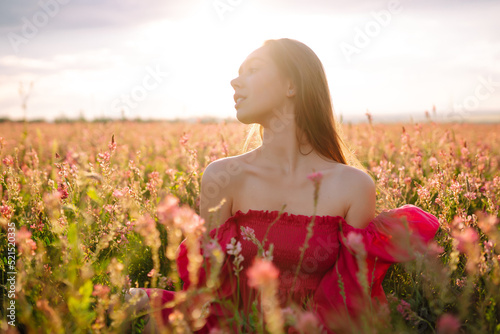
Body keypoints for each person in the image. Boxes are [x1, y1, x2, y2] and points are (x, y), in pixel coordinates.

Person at [127, 38, 440, 333]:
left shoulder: (352, 186)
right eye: (237, 74)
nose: (235, 82)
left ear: (292, 85)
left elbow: (344, 300)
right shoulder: (224, 176)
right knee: (129, 301)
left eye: (252, 71)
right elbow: (213, 289)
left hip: (313, 328)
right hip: (234, 323)